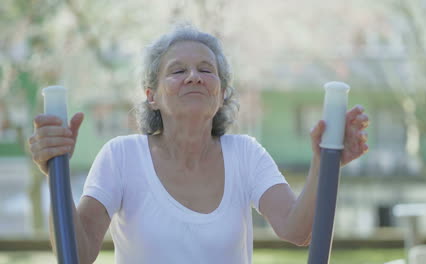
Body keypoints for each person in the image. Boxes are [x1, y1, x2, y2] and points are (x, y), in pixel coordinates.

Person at [28, 25, 369, 264]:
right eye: (177, 71)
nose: (194, 76)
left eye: (206, 69)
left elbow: (298, 230)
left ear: (221, 94)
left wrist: (324, 163)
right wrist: (52, 172)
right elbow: (78, 253)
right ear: (152, 97)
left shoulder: (246, 154)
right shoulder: (120, 156)